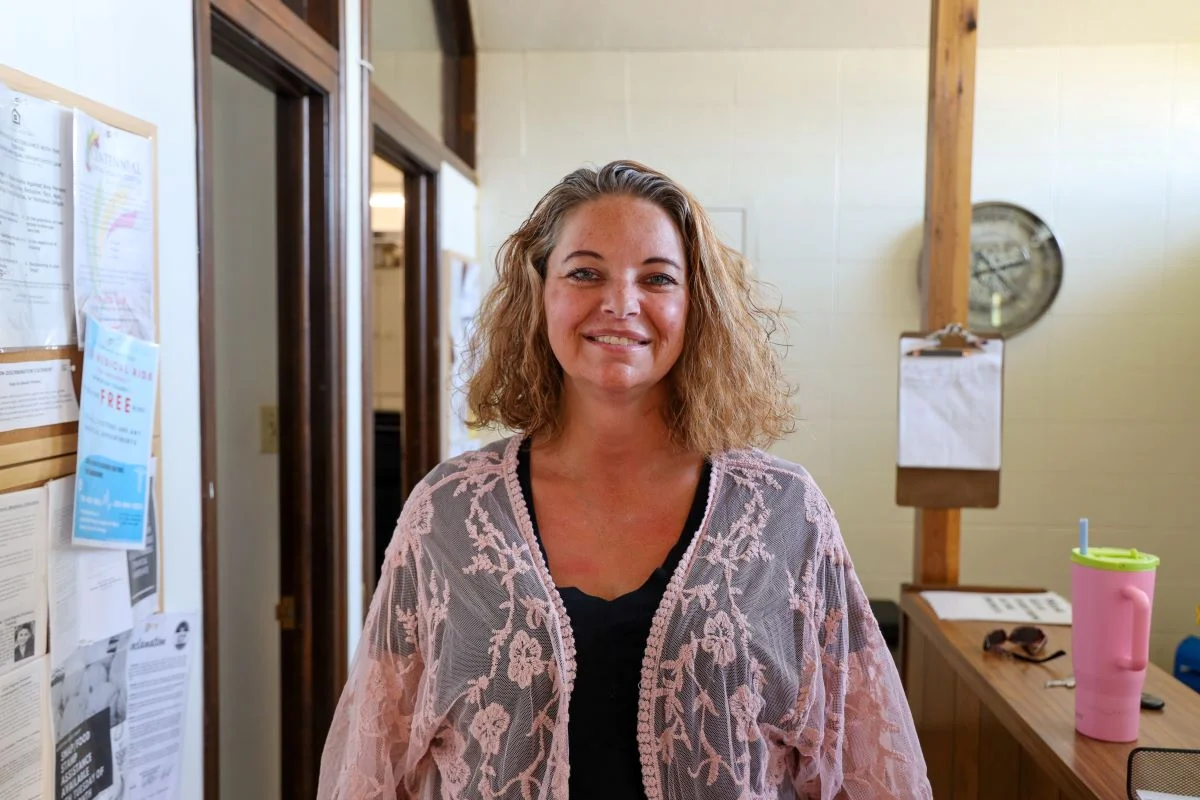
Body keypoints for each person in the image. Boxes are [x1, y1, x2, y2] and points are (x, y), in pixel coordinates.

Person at [318, 161, 931, 799]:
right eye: (585, 273)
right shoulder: (446, 513)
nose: (620, 303)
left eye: (657, 278)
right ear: (540, 293)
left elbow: (870, 766)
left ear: (697, 305)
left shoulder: (785, 512)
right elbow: (371, 764)